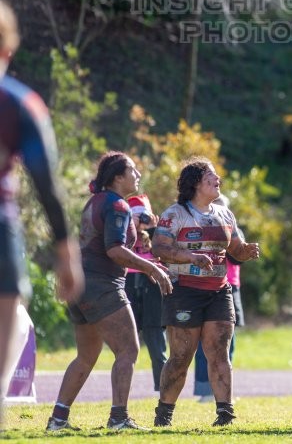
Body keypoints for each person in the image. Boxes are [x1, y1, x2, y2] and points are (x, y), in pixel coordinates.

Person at [47, 152, 173, 432]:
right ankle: (118, 418)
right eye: (133, 170)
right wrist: (153, 269)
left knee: (86, 355)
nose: (138, 175)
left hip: (82, 286)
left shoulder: (96, 201)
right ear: (118, 177)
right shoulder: (118, 205)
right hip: (102, 285)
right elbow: (114, 250)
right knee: (128, 349)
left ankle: (58, 420)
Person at [0, 0, 82, 428]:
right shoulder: (18, 102)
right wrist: (66, 252)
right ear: (8, 50)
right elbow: (47, 185)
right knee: (10, 313)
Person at [151, 157, 261, 428]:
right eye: (211, 177)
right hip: (184, 292)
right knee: (181, 356)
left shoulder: (225, 213)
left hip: (219, 292)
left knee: (219, 352)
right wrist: (191, 256)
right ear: (196, 183)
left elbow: (235, 248)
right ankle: (164, 414)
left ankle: (225, 414)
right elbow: (159, 249)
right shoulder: (174, 214)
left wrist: (245, 251)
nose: (217, 180)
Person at [123, 194, 167, 392]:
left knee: (157, 346)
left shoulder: (157, 235)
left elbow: (166, 253)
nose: (141, 220)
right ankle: (122, 391)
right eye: (135, 215)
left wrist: (153, 228)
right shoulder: (124, 234)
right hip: (129, 286)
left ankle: (163, 389)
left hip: (152, 289)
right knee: (126, 346)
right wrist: (130, 226)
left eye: (144, 215)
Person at [195, 255, 242, 401]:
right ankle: (207, 391)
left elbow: (238, 258)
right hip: (206, 283)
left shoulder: (235, 231)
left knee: (228, 345)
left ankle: (223, 391)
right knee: (206, 344)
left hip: (231, 285)